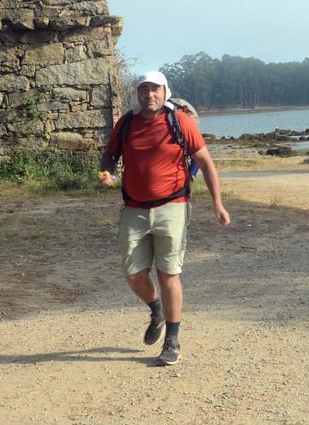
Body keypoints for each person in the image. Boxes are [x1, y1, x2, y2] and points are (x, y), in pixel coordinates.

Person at [99, 71, 231, 366]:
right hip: (134, 207)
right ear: (137, 94)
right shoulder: (127, 123)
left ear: (165, 92)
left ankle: (172, 339)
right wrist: (107, 171)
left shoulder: (181, 121)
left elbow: (205, 162)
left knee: (168, 272)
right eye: (144, 90)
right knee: (133, 274)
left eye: (155, 89)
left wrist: (218, 205)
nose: (149, 95)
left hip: (173, 205)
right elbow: (109, 155)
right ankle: (155, 308)